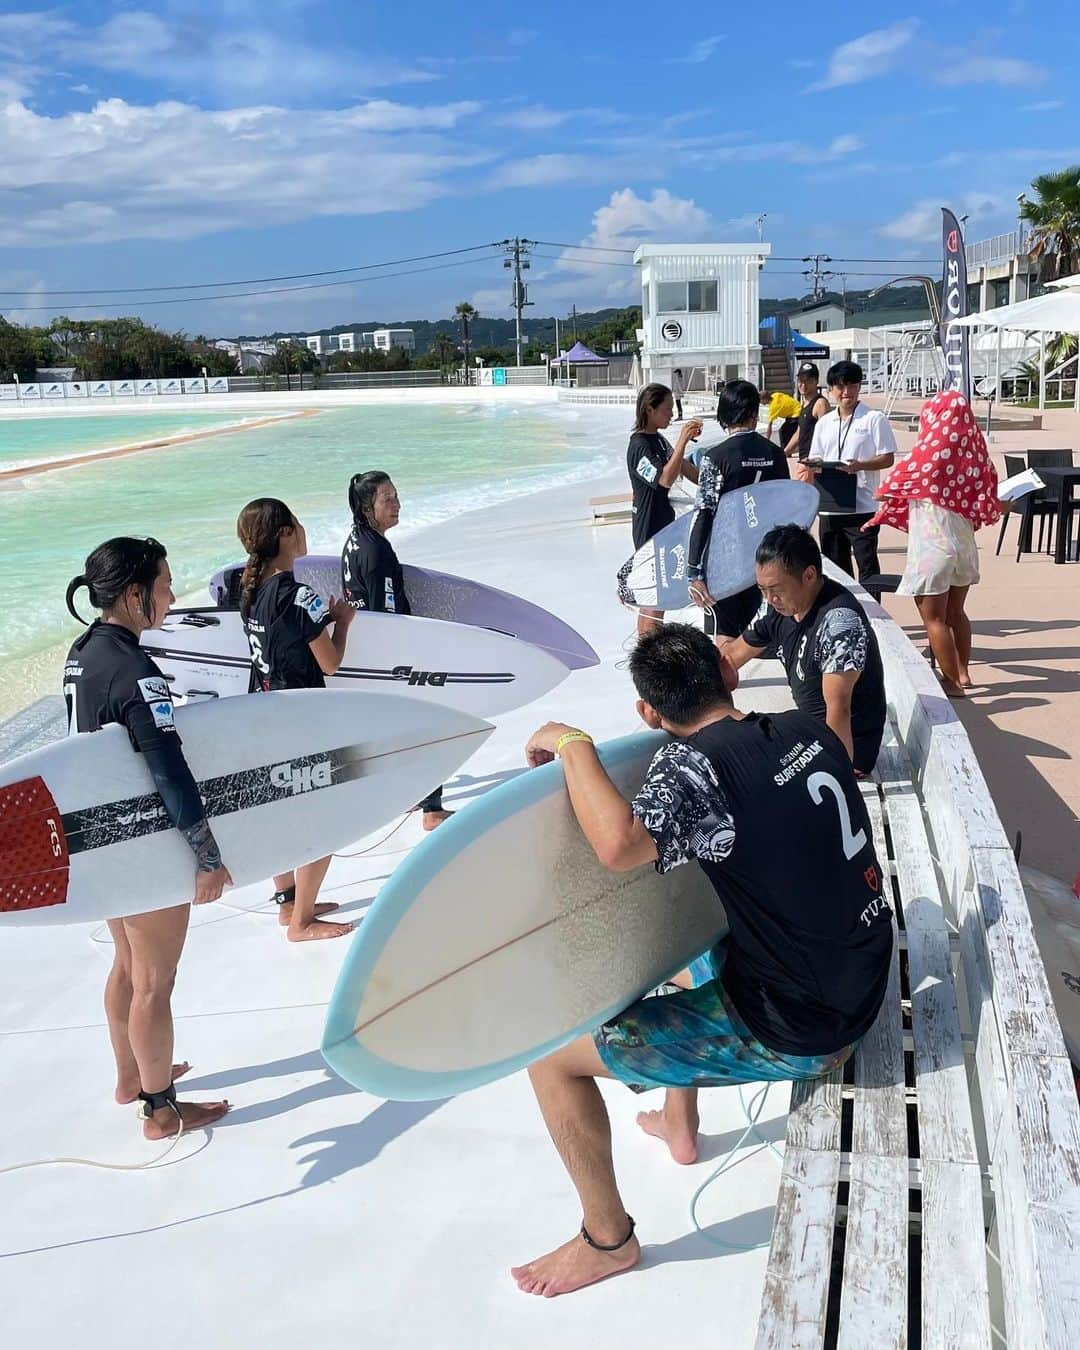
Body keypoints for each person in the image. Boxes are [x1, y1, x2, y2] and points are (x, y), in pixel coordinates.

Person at [512, 624, 892, 1298]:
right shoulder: (809, 733)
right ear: (731, 674)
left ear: (650, 716)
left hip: (809, 1030)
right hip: (863, 974)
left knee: (553, 1059)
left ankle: (607, 1240)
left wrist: (572, 745)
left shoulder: (693, 768)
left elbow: (619, 845)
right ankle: (679, 1127)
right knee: (692, 947)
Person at [64, 538, 231, 1138]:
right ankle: (161, 1109)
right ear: (134, 595)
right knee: (155, 983)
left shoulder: (82, 653)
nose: (170, 594)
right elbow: (167, 768)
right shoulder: (138, 671)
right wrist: (206, 854)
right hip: (143, 843)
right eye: (163, 584)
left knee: (129, 966)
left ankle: (130, 1076)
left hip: (101, 839)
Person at [238, 497, 355, 941]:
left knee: (282, 815)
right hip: (301, 723)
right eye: (298, 524)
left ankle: (289, 904)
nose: (304, 530)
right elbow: (329, 663)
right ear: (286, 534)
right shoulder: (297, 593)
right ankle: (303, 920)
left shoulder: (249, 592)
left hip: (263, 717)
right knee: (321, 818)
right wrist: (342, 622)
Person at [720, 524, 885, 776]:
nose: (769, 599)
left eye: (775, 589)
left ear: (809, 576)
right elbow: (731, 657)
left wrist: (836, 775)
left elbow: (838, 708)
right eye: (762, 590)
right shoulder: (780, 608)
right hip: (807, 729)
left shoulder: (840, 623)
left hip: (844, 750)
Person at [865, 389, 1000, 697]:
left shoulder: (925, 456)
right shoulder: (978, 457)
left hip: (933, 547)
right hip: (964, 547)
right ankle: (963, 674)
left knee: (934, 619)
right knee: (957, 613)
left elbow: (884, 492)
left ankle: (952, 685)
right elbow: (989, 498)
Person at [341, 471, 451, 829]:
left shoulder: (354, 542)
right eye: (387, 498)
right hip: (389, 656)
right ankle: (431, 809)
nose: (397, 504)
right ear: (366, 506)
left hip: (364, 655)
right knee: (430, 722)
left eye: (397, 496)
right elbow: (385, 617)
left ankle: (404, 796)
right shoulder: (378, 551)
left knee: (393, 731)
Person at [686, 379, 789, 638]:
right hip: (768, 556)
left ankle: (727, 677)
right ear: (754, 414)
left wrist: (693, 571)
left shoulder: (715, 457)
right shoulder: (775, 454)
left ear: (724, 414)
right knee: (768, 632)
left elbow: (704, 513)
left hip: (727, 558)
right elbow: (787, 508)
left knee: (726, 633)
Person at [624, 384, 703, 637]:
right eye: (667, 409)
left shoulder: (657, 440)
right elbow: (665, 479)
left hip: (665, 527)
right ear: (650, 409)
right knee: (652, 604)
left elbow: (688, 471)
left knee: (661, 598)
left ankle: (652, 655)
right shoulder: (639, 446)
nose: (671, 414)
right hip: (649, 530)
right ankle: (645, 661)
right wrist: (682, 439)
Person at [808, 360, 897, 581]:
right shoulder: (824, 423)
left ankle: (873, 615)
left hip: (862, 506)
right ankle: (845, 613)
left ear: (859, 387)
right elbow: (817, 456)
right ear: (830, 389)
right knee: (836, 572)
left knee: (867, 567)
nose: (847, 392)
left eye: (852, 386)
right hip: (830, 505)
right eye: (840, 386)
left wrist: (860, 465)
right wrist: (813, 463)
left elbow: (887, 458)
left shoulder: (874, 419)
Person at [792, 362, 831, 462]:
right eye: (801, 381)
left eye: (808, 381)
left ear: (816, 381)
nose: (803, 385)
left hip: (813, 462)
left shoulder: (820, 404)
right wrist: (784, 453)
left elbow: (827, 434)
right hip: (803, 460)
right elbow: (800, 432)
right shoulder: (804, 403)